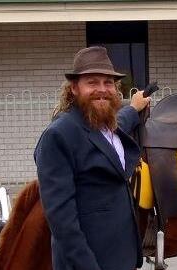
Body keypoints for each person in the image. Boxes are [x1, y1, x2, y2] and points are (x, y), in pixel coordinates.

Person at [34, 46, 150, 270]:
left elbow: (119, 124)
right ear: (74, 88)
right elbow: (62, 223)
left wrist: (134, 108)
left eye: (108, 83)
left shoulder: (106, 125)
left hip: (122, 259)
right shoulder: (59, 135)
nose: (102, 89)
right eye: (92, 82)